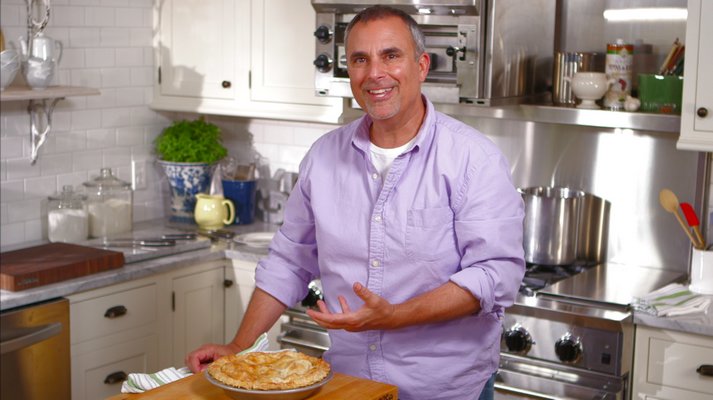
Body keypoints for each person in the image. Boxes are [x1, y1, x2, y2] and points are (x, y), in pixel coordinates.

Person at [186, 5, 524, 400]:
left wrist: (395, 316)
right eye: (360, 60)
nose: (375, 73)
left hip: (445, 390)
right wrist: (238, 347)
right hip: (349, 386)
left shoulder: (473, 159)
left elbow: (495, 275)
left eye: (391, 56)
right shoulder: (323, 157)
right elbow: (289, 260)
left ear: (421, 66)